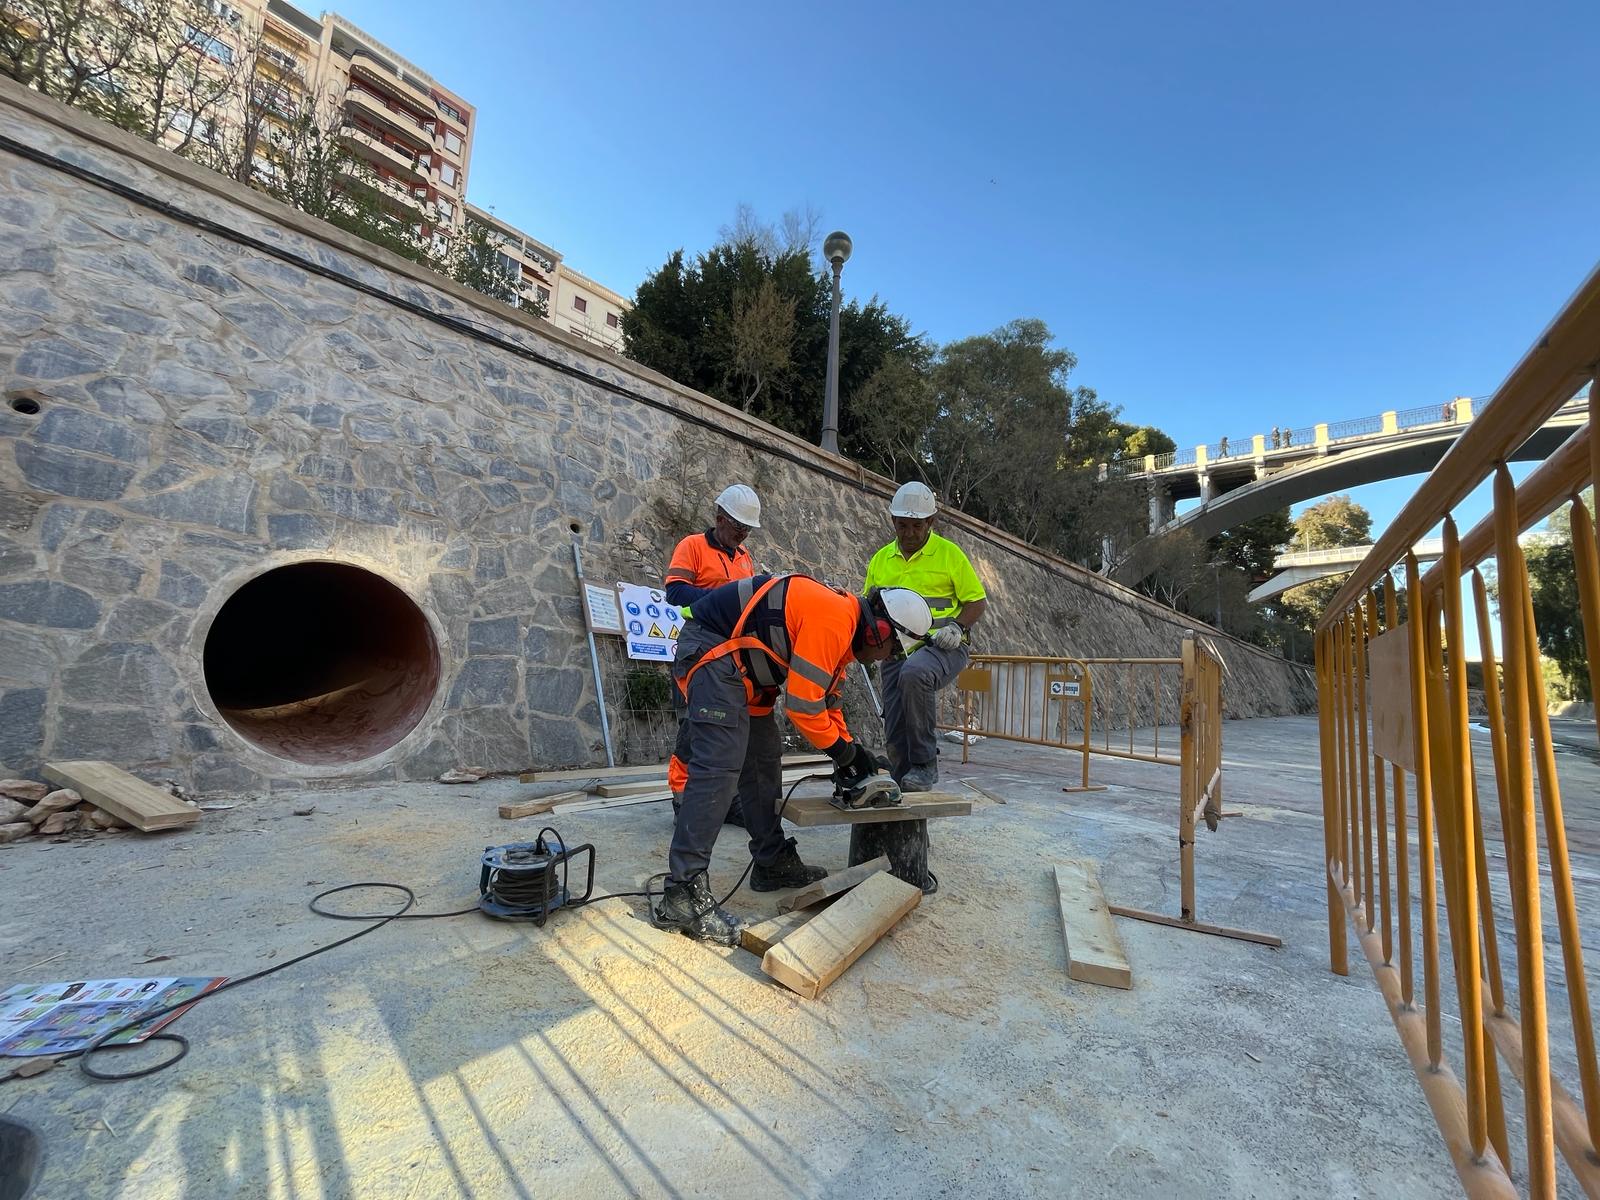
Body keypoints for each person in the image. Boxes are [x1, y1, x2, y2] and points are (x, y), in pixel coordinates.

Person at [655, 577, 932, 944]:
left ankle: (771, 862)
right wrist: (842, 753)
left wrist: (857, 756)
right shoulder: (835, 618)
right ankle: (682, 893)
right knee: (720, 764)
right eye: (893, 651)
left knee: (763, 761)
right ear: (881, 631)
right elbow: (802, 706)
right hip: (713, 651)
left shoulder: (843, 634)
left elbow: (826, 704)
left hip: (742, 667)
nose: (887, 659)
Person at [863, 481, 988, 792]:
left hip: (944, 645)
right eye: (901, 526)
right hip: (896, 650)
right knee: (893, 716)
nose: (908, 533)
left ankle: (924, 763)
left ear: (930, 522)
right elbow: (868, 605)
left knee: (915, 674)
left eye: (916, 526)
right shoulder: (881, 559)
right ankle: (903, 778)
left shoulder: (949, 555)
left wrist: (957, 627)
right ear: (893, 521)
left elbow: (977, 601)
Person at [662, 483, 761, 825]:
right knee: (695, 722)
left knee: (730, 725)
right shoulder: (692, 546)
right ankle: (683, 799)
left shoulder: (744, 557)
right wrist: (717, 598)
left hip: (731, 647)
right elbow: (675, 591)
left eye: (747, 530)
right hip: (700, 640)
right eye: (738, 528)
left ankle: (727, 799)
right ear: (720, 519)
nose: (742, 535)